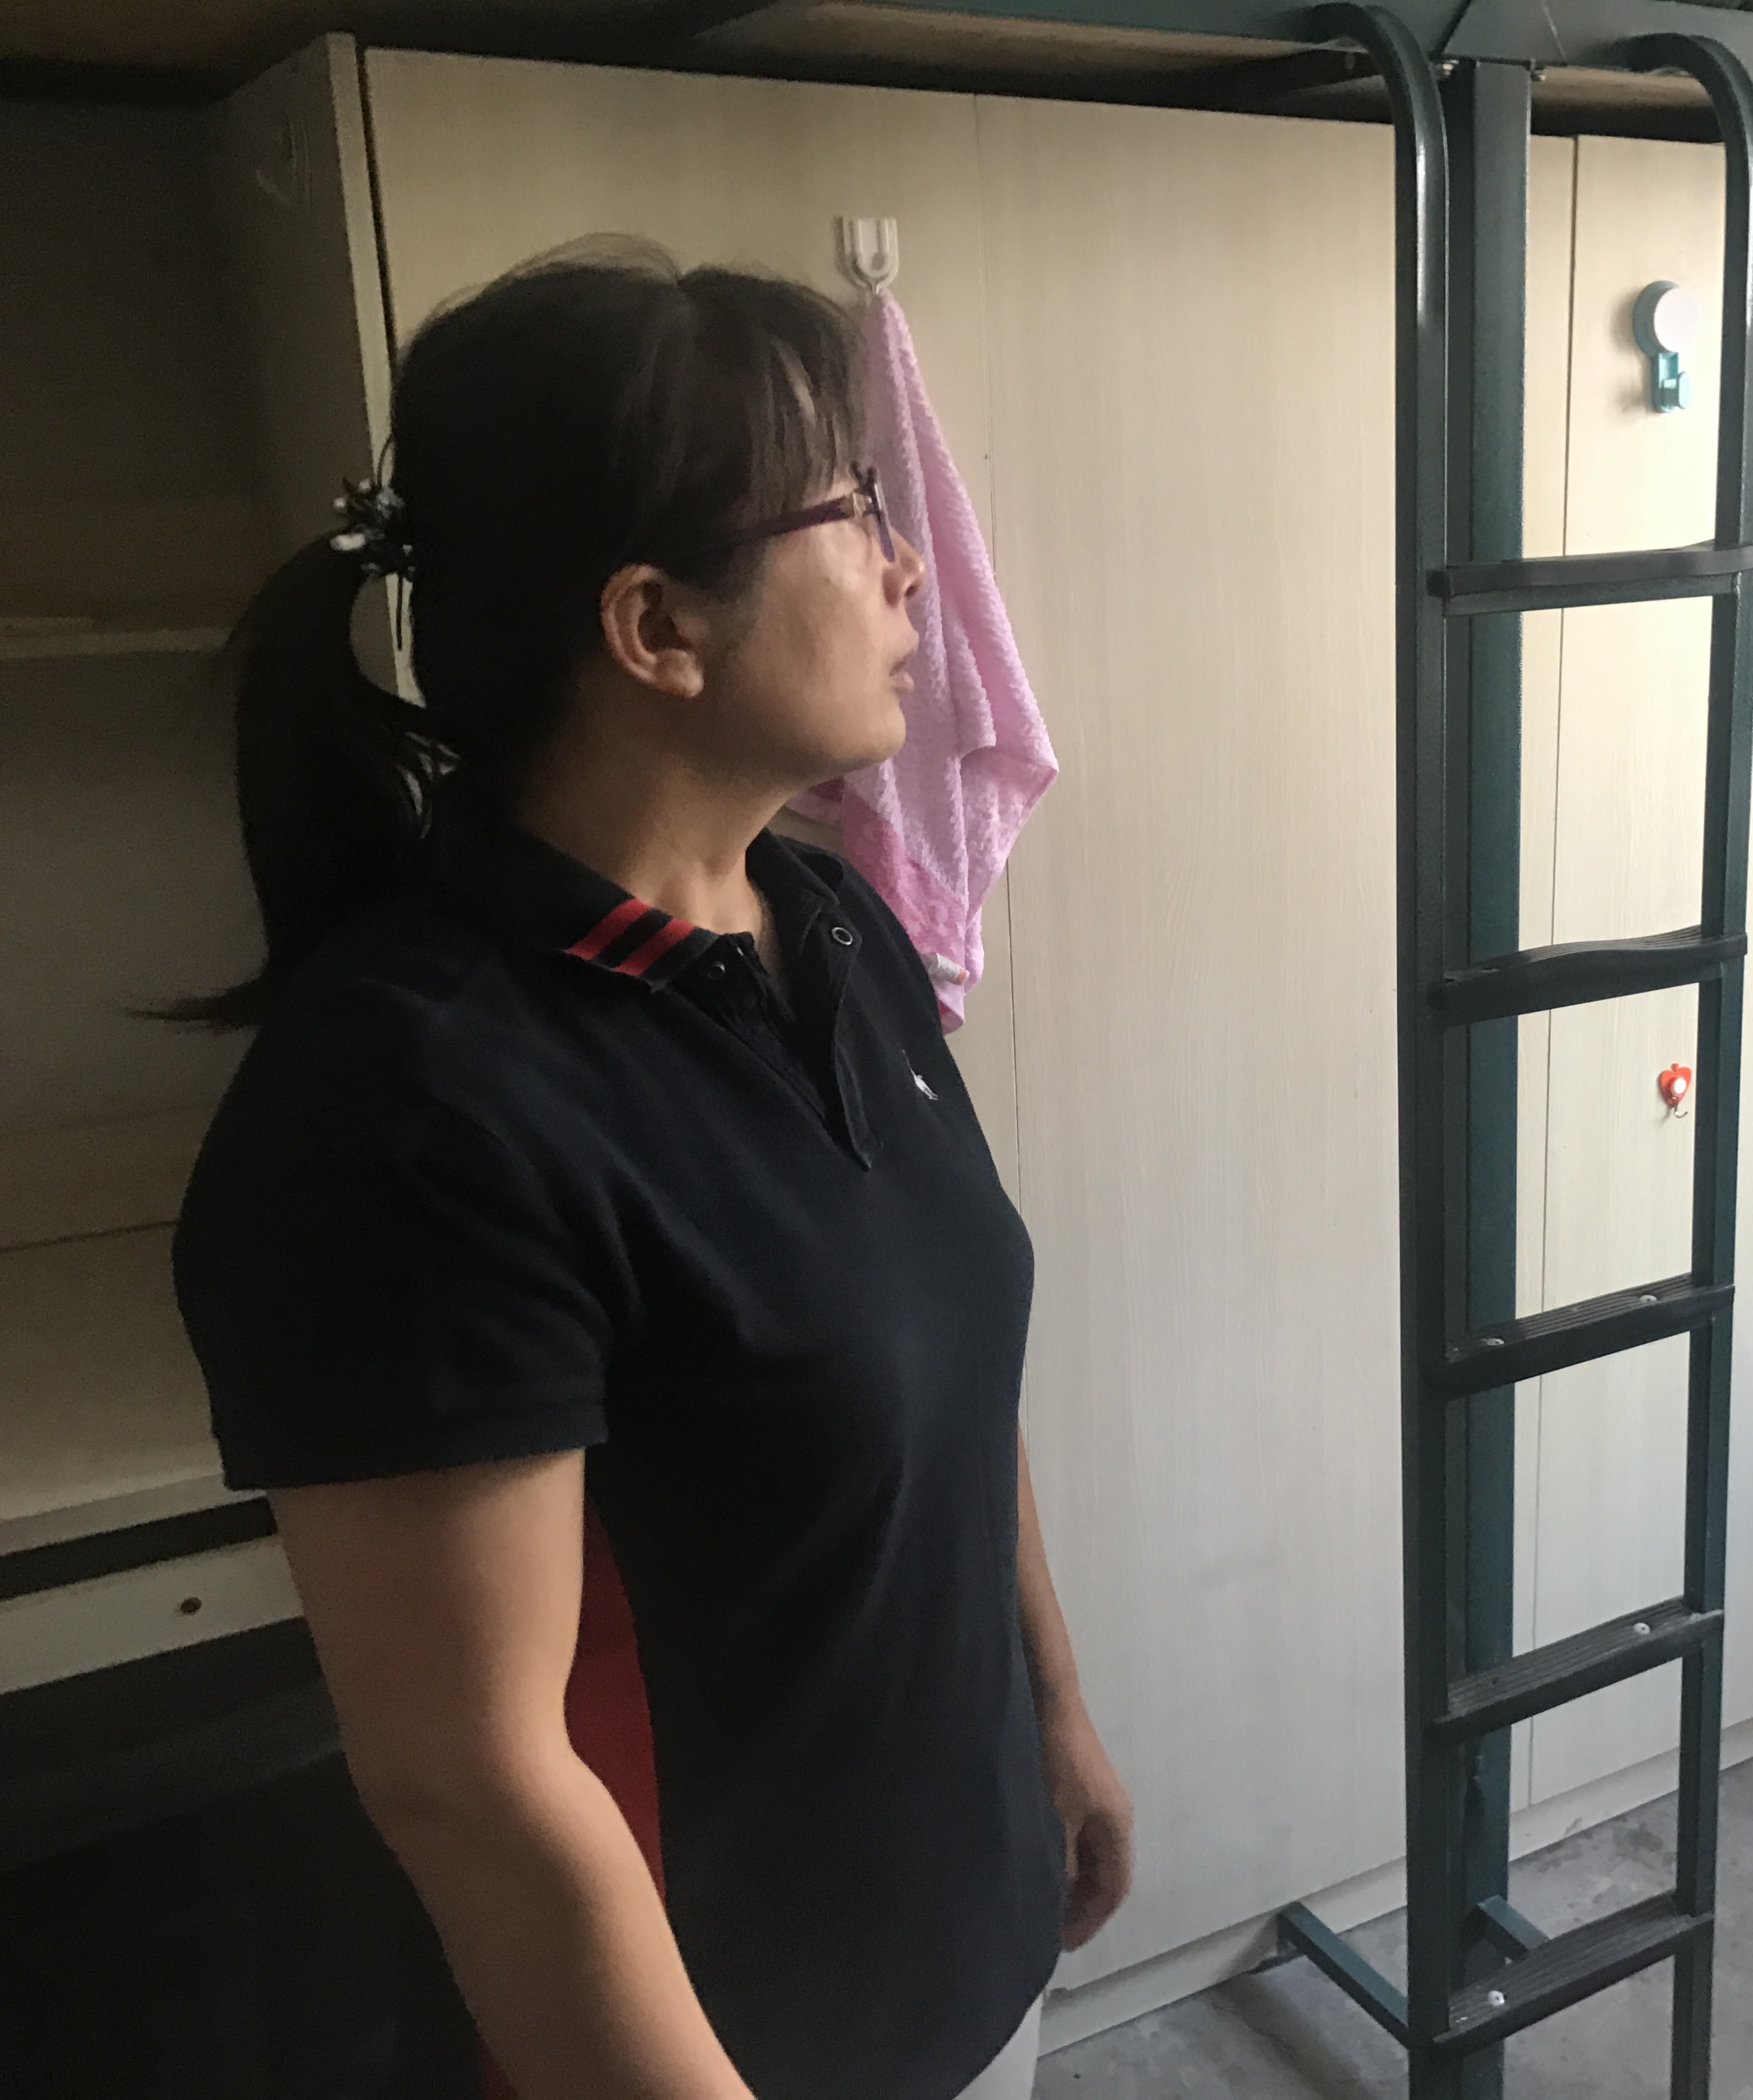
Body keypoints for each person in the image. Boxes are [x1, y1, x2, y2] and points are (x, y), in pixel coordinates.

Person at [168, 247, 1130, 2100]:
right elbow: (473, 1787)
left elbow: (944, 1367)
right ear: (657, 628)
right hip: (717, 2043)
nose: (910, 568)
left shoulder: (826, 921)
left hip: (962, 1958)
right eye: (853, 515)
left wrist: (1056, 1708)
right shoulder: (413, 1110)